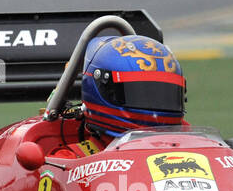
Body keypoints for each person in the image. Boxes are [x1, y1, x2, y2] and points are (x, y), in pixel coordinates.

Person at [50, 35, 187, 158]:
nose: (155, 109)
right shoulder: (68, 160)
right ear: (105, 90)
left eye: (163, 94)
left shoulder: (190, 145)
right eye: (139, 93)